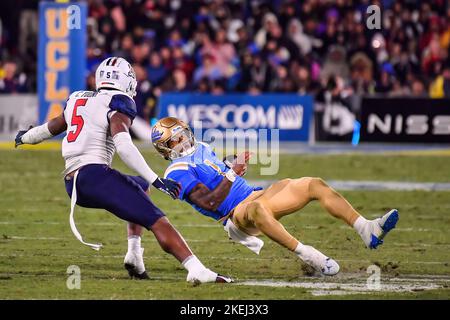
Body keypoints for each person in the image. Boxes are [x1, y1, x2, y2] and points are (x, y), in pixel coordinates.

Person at [14, 57, 231, 284]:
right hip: (93, 176)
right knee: (158, 220)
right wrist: (158, 180)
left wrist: (25, 137)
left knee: (140, 185)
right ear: (126, 80)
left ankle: (134, 255)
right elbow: (125, 147)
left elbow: (51, 127)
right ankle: (196, 269)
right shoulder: (117, 102)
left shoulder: (78, 98)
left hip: (73, 181)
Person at [151, 117, 400, 276]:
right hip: (234, 216)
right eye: (175, 142)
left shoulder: (203, 147)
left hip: (254, 194)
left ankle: (366, 228)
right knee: (258, 209)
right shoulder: (177, 171)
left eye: (182, 135)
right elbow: (209, 202)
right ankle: (310, 255)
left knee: (313, 184)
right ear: (165, 150)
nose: (183, 142)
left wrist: (232, 165)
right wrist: (231, 175)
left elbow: (218, 171)